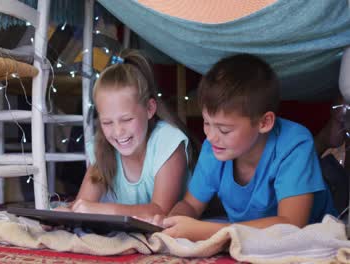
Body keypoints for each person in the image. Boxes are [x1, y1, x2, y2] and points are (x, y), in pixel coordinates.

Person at [151, 54, 337, 241]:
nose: (211, 136)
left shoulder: (294, 143)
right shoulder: (214, 147)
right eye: (207, 123)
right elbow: (190, 205)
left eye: (224, 129)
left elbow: (292, 224)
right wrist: (173, 220)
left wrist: (206, 230)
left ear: (264, 122)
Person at [57, 49, 196, 219]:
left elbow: (160, 211)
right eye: (107, 122)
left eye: (127, 119)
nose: (117, 131)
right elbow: (84, 203)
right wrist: (65, 215)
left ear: (149, 109)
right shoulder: (102, 148)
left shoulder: (168, 142)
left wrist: (104, 210)